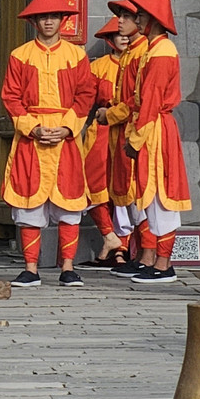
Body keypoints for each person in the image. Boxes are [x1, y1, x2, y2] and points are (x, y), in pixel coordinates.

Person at [0, 0, 96, 288]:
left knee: (69, 203)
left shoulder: (76, 55)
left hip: (66, 137)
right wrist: (32, 127)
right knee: (29, 203)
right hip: (32, 136)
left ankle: (67, 267)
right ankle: (31, 268)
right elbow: (11, 97)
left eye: (54, 17)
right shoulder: (21, 55)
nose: (49, 22)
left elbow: (86, 94)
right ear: (34, 22)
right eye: (43, 18)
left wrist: (68, 127)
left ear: (62, 20)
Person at [120, 0, 192, 284]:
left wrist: (136, 139)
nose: (137, 18)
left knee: (162, 193)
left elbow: (150, 100)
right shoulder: (153, 49)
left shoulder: (162, 52)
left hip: (155, 129)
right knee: (151, 194)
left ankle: (164, 264)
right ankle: (156, 261)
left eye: (141, 14)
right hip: (151, 126)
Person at [100, 0, 148, 273]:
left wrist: (109, 115)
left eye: (127, 17)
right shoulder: (131, 53)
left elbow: (135, 101)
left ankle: (145, 258)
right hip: (119, 132)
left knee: (140, 196)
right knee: (125, 196)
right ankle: (136, 256)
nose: (119, 22)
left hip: (135, 130)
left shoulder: (145, 53)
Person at [78, 16, 129, 268]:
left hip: (128, 129)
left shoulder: (140, 62)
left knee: (127, 187)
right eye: (117, 35)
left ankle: (124, 247)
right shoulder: (98, 67)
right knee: (95, 186)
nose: (123, 39)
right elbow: (86, 100)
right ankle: (110, 237)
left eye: (127, 35)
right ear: (109, 40)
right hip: (101, 130)